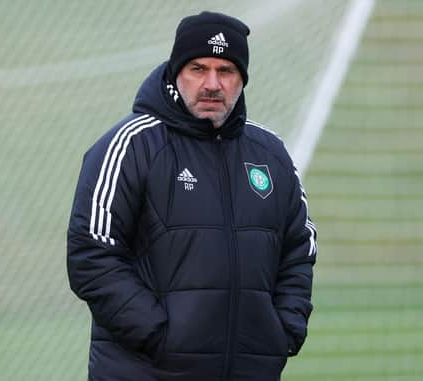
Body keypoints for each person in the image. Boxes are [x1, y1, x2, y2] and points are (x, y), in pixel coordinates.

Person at [67, 11, 317, 381]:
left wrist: (282, 330)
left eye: (226, 71)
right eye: (198, 69)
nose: (212, 84)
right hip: (147, 371)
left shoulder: (271, 155)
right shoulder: (130, 146)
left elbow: (300, 249)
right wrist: (160, 337)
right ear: (176, 73)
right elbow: (91, 255)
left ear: (242, 79)